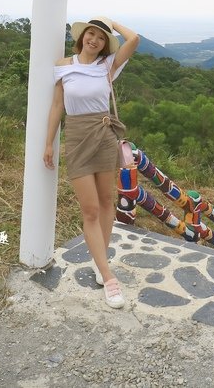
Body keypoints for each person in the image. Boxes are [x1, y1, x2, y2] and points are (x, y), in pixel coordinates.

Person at [43, 16, 140, 309]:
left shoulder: (107, 66)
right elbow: (57, 105)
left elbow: (133, 39)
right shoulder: (63, 64)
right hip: (77, 136)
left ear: (104, 45)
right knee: (90, 209)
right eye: (90, 34)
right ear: (82, 36)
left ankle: (100, 261)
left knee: (107, 202)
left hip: (104, 135)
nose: (94, 39)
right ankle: (108, 277)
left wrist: (111, 22)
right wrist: (49, 142)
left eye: (100, 37)